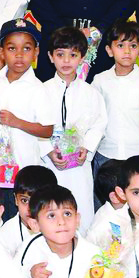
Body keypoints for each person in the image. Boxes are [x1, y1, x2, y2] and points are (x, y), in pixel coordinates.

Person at [0, 20, 55, 204]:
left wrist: (17, 122)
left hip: (24, 173)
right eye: (12, 48)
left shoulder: (38, 89)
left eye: (26, 48)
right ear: (2, 52)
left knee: (21, 213)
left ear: (36, 52)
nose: (19, 55)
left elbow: (47, 130)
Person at [41, 27, 107, 231]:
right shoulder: (41, 91)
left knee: (81, 210)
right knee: (49, 209)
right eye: (60, 54)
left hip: (79, 165)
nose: (66, 61)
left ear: (82, 57)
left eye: (73, 55)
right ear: (50, 57)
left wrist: (86, 148)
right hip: (49, 164)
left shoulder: (91, 93)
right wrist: (48, 151)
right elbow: (36, 126)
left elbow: (99, 124)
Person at [92, 19, 139, 173]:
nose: (127, 51)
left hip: (138, 152)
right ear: (109, 50)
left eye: (133, 46)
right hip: (106, 152)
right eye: (120, 45)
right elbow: (93, 115)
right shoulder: (100, 80)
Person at [0, 165, 57, 258]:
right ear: (16, 199)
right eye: (25, 200)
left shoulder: (61, 226)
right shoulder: (6, 235)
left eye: (37, 201)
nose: (30, 208)